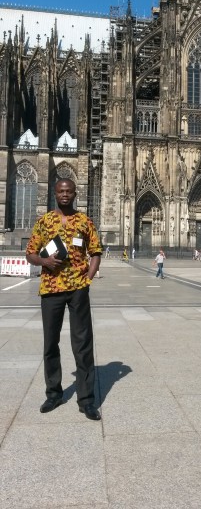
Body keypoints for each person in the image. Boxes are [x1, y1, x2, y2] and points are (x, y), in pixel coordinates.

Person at [26, 179, 102, 420]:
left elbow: (96, 252)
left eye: (69, 191)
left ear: (75, 193)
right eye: (61, 191)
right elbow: (30, 253)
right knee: (51, 343)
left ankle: (86, 399)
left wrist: (88, 279)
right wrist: (44, 261)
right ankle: (54, 394)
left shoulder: (84, 221)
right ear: (55, 193)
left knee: (83, 344)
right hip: (51, 288)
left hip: (78, 289)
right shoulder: (44, 221)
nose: (65, 194)